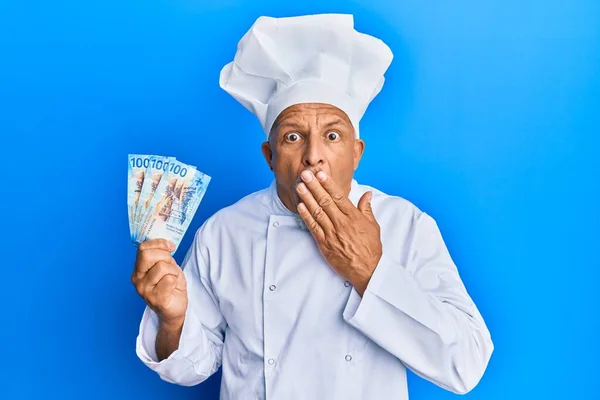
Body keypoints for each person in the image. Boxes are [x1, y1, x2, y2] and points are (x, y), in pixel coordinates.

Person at [131, 13, 494, 399]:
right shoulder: (223, 233)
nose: (313, 156)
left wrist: (370, 270)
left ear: (356, 153)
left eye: (333, 135)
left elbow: (466, 364)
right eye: (293, 136)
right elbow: (192, 368)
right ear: (269, 155)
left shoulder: (405, 225)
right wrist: (172, 321)